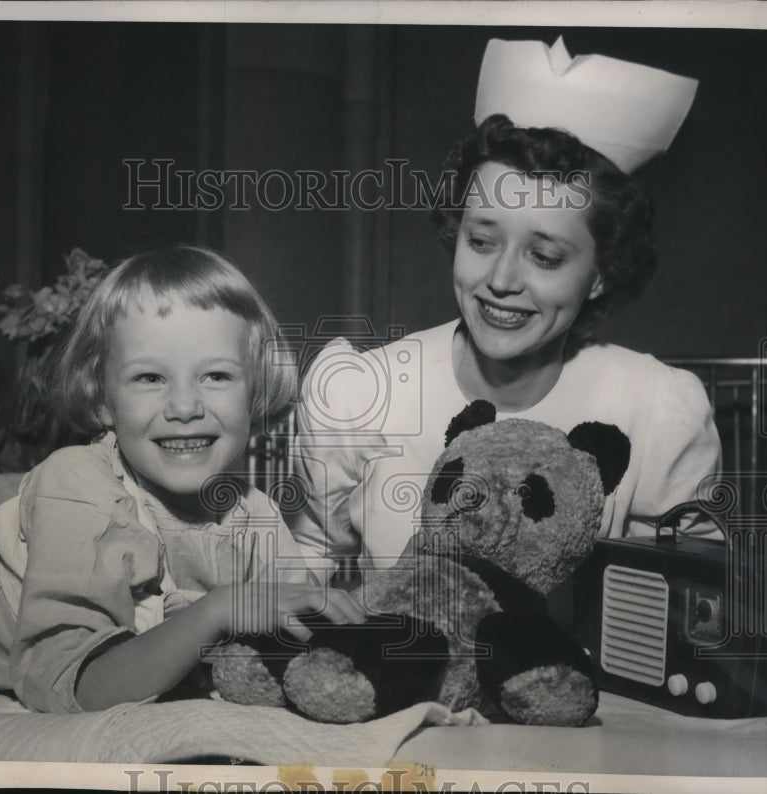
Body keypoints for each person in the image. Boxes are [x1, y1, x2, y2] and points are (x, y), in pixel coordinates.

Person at [289, 38, 723, 574]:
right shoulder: (362, 396)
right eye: (481, 241)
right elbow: (309, 563)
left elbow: (688, 594)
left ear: (600, 275)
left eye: (544, 257)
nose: (500, 280)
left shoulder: (657, 412)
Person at [0, 244, 364, 713]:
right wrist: (216, 611)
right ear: (101, 399)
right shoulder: (78, 482)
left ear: (254, 392)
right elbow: (70, 685)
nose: (185, 407)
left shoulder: (255, 514)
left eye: (216, 376)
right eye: (149, 378)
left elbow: (297, 629)